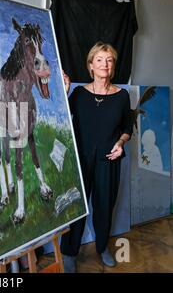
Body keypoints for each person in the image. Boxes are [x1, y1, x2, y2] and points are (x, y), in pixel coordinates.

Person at [61, 42, 132, 273]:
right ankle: (70, 253)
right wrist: (64, 90)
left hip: (109, 161)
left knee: (104, 207)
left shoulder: (122, 96)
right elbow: (61, 115)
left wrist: (121, 143)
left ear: (113, 66)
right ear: (91, 65)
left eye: (109, 60)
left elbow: (127, 128)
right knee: (78, 207)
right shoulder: (79, 94)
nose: (105, 64)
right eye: (100, 59)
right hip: (80, 160)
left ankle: (102, 247)